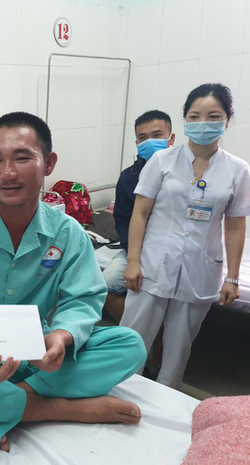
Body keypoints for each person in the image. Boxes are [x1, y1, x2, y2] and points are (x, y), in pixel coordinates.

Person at [0, 111, 147, 452]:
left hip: (36, 353)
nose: (7, 173)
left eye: (22, 158)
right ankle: (56, 408)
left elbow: (83, 297)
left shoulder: (67, 232)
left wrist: (61, 336)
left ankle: (7, 404)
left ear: (48, 163)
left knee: (129, 345)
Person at [121, 83, 250, 390]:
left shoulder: (238, 170)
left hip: (199, 269)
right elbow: (139, 213)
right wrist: (133, 261)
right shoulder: (161, 161)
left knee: (178, 351)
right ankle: (120, 398)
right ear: (185, 120)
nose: (203, 123)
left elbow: (235, 225)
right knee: (131, 342)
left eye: (213, 116)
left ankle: (165, 405)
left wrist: (232, 277)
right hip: (152, 266)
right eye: (195, 116)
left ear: (227, 120)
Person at [103, 110, 175, 323]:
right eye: (143, 138)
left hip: (174, 249)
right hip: (138, 248)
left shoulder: (185, 174)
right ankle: (138, 336)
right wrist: (134, 254)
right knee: (105, 284)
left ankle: (158, 337)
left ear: (171, 139)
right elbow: (123, 220)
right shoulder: (129, 178)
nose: (150, 142)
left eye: (157, 135)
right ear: (136, 143)